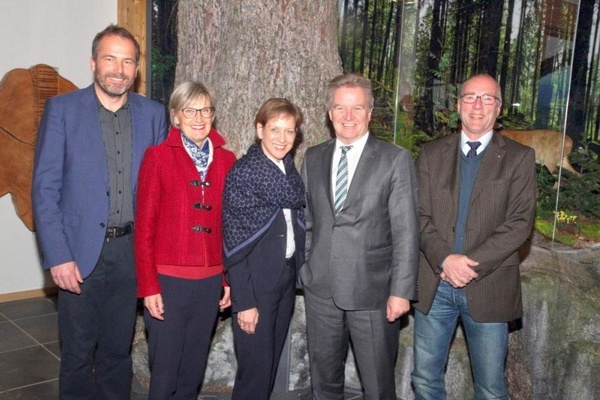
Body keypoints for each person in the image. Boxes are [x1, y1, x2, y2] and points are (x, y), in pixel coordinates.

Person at [31, 25, 168, 399]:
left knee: (116, 353)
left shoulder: (154, 115)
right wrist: (58, 255)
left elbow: (161, 191)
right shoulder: (62, 110)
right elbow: (44, 189)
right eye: (110, 58)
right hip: (78, 252)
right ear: (94, 63)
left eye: (127, 61)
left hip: (130, 253)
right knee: (76, 354)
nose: (118, 69)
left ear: (136, 69)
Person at [411, 74, 537, 400]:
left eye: (487, 99)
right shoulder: (430, 154)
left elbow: (520, 223)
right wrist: (445, 259)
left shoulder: (519, 157)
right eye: (470, 97)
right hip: (434, 285)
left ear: (498, 109)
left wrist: (468, 265)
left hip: (489, 286)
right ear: (458, 105)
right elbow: (419, 215)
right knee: (424, 380)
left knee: (491, 389)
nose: (477, 105)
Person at [300, 73, 420, 400]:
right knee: (323, 385)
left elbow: (406, 232)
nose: (348, 116)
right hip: (321, 290)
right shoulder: (313, 157)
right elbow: (307, 221)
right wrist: (306, 270)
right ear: (329, 113)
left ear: (370, 112)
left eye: (357, 108)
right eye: (340, 108)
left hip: (374, 295)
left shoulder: (395, 160)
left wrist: (401, 292)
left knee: (378, 387)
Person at [135, 81, 236, 400]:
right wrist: (149, 286)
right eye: (190, 110)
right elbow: (144, 228)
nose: (199, 117)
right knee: (165, 370)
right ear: (176, 116)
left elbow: (227, 226)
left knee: (193, 368)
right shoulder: (158, 157)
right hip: (168, 281)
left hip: (209, 282)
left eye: (205, 110)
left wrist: (226, 278)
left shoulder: (226, 160)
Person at [222, 98, 306, 400]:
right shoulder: (244, 174)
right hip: (255, 287)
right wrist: (244, 301)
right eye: (275, 130)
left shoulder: (289, 172)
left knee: (268, 370)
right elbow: (234, 243)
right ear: (260, 129)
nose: (282, 139)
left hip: (284, 280)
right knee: (254, 374)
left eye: (290, 131)